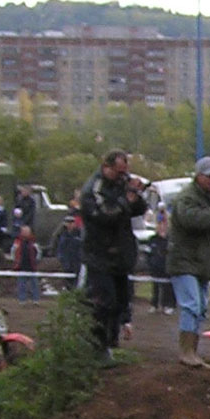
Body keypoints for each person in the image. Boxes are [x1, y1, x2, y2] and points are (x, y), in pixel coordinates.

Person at [77, 150, 148, 354]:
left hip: (120, 254)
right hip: (99, 254)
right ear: (106, 167)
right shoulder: (93, 189)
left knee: (120, 301)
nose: (122, 177)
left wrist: (136, 194)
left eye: (125, 172)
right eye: (118, 172)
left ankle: (111, 344)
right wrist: (127, 200)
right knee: (103, 302)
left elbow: (139, 209)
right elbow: (105, 215)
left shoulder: (121, 185)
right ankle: (97, 347)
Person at [168, 156, 210, 368]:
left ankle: (192, 351)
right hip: (184, 260)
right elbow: (191, 220)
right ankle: (186, 352)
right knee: (191, 305)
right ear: (199, 176)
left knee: (201, 307)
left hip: (201, 262)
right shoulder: (187, 197)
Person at [13, 225, 41, 302]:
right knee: (21, 285)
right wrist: (15, 261)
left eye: (27, 231)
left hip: (32, 267)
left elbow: (39, 253)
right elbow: (13, 252)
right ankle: (22, 300)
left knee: (34, 284)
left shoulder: (34, 242)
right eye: (24, 231)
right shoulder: (17, 242)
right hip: (21, 267)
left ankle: (36, 300)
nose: (25, 233)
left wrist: (36, 261)